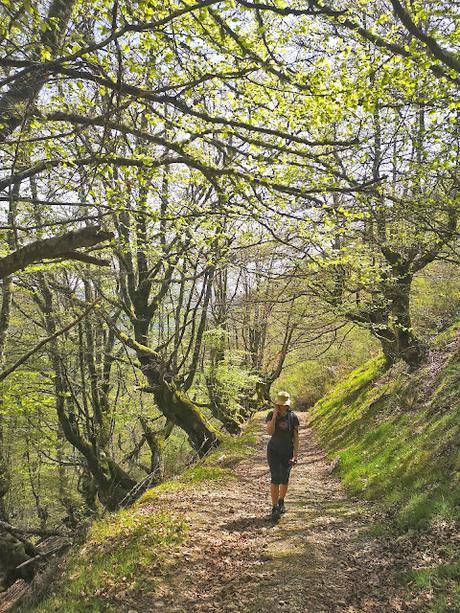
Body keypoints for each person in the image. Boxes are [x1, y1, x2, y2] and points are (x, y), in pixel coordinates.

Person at [265, 390, 299, 519]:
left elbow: (296, 437)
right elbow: (269, 432)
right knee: (275, 478)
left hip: (287, 451)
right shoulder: (270, 415)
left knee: (284, 479)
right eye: (280, 404)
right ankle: (274, 508)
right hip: (273, 450)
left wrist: (295, 454)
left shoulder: (293, 417)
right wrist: (274, 417)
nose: (283, 406)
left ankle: (281, 501)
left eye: (284, 404)